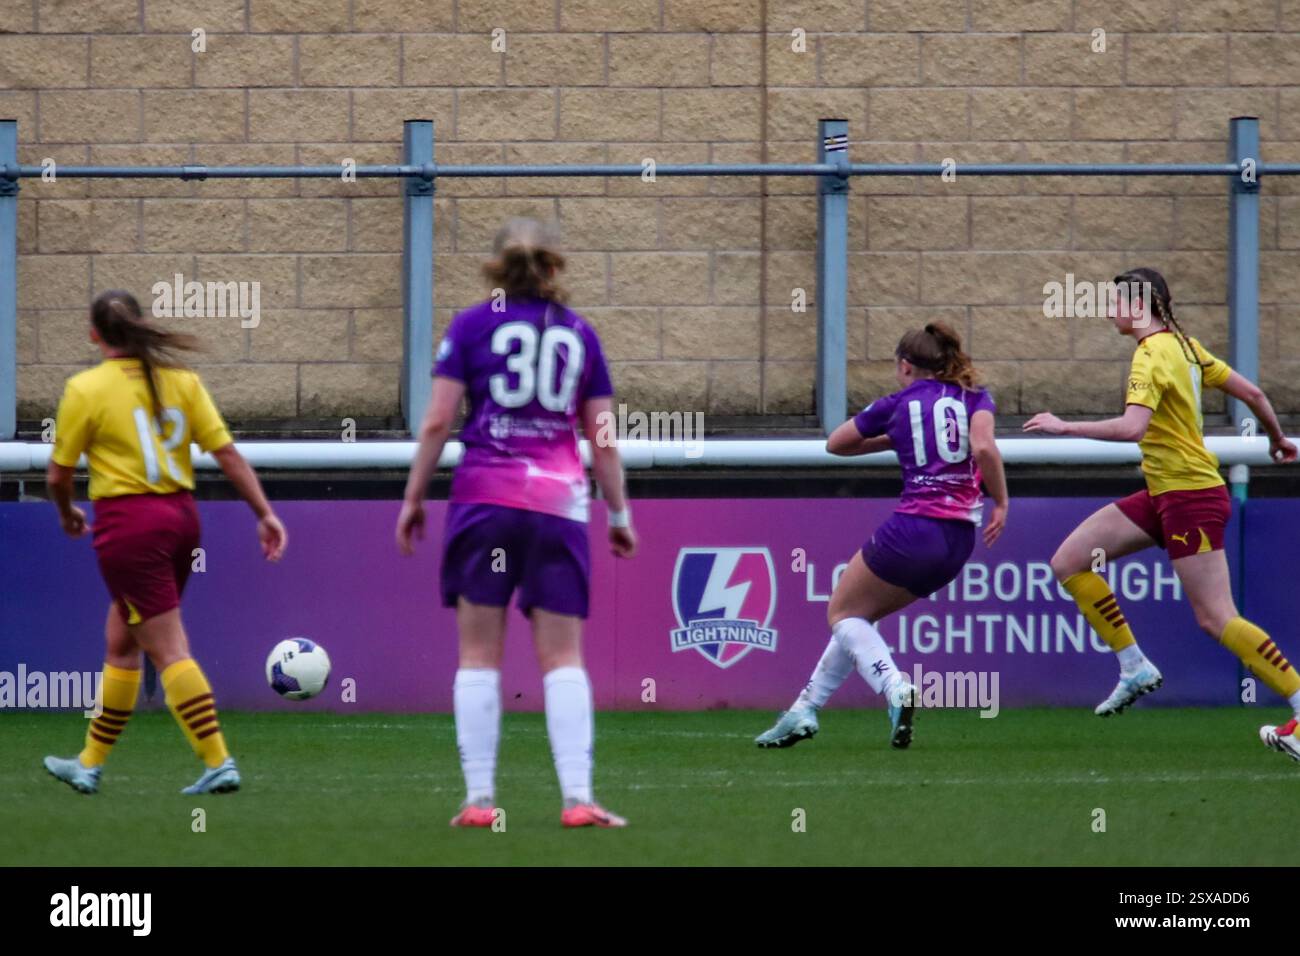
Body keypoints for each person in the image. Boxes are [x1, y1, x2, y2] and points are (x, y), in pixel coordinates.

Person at [396, 217, 637, 827]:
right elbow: (602, 436)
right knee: (563, 658)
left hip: (484, 499)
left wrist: (413, 497)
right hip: (557, 507)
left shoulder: (472, 326)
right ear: (554, 269)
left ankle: (479, 802)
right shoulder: (579, 335)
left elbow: (436, 422)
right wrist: (619, 512)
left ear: (495, 270)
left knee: (478, 654)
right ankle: (578, 799)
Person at [1025, 267, 1300, 763]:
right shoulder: (1188, 347)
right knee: (1069, 561)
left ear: (1139, 305)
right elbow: (1255, 394)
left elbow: (1134, 428)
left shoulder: (1150, 355)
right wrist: (1278, 440)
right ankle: (1133, 666)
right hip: (1164, 491)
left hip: (1189, 495)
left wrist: (1065, 427)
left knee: (1216, 617)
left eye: (1115, 302)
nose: (1110, 311)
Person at [43, 289, 287, 795]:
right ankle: (88, 763)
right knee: (122, 638)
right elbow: (229, 456)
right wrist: (264, 513)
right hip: (180, 518)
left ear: (94, 334)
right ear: (141, 326)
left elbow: (58, 476)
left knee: (169, 648)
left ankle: (218, 760)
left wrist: (67, 513)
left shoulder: (86, 389)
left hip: (128, 525)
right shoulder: (183, 382)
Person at [756, 322, 1008, 749]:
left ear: (905, 366)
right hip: (959, 540)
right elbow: (983, 446)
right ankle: (804, 709)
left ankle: (895, 688)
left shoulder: (897, 403)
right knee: (859, 619)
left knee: (841, 613)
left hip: (915, 526)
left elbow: (836, 444)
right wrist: (1000, 502)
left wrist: (893, 438)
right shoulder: (975, 396)